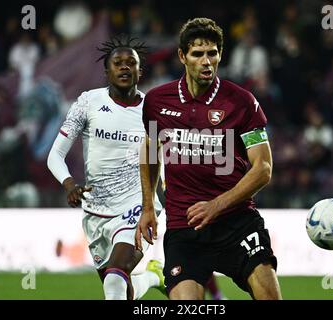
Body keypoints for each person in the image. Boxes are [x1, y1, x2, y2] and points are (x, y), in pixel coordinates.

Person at [135, 18, 282, 300]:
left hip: (237, 223)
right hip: (185, 226)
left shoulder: (242, 102)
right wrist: (148, 207)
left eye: (212, 53)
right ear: (182, 56)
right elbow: (151, 149)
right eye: (197, 54)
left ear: (221, 55)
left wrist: (217, 205)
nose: (206, 61)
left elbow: (263, 168)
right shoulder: (156, 102)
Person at [47, 36, 164, 300]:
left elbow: (160, 160)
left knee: (115, 279)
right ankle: (154, 276)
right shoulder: (88, 102)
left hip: (137, 207)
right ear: (106, 71)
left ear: (139, 71)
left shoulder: (153, 110)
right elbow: (55, 155)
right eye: (118, 63)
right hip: (96, 213)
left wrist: (155, 202)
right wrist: (69, 184)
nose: (124, 68)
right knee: (120, 289)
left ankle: (153, 273)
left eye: (130, 63)